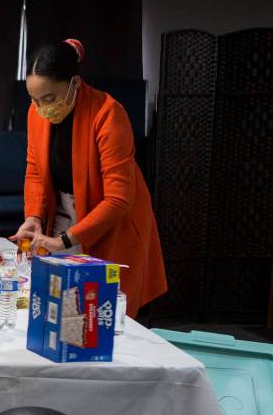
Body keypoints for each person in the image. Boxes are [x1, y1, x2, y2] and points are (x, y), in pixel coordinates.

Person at [10, 39, 166, 318]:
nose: (42, 107)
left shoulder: (108, 114)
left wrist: (66, 240)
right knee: (58, 304)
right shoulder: (36, 113)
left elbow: (118, 200)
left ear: (75, 83)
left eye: (50, 99)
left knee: (100, 313)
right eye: (34, 99)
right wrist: (33, 216)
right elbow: (35, 170)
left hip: (110, 220)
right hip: (63, 210)